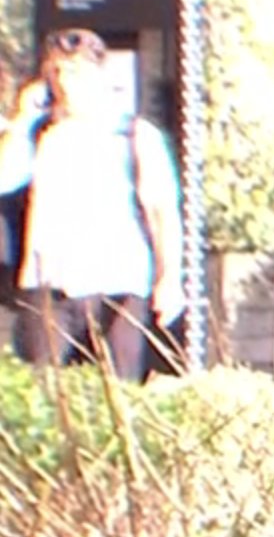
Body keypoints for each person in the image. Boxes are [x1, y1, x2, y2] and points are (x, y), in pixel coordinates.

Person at [0, 28, 184, 379]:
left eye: (77, 72)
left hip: (119, 282)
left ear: (99, 76)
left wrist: (169, 275)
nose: (66, 84)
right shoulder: (39, 134)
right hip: (51, 282)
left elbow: (162, 212)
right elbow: (4, 179)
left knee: (120, 389)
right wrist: (22, 119)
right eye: (57, 73)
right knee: (46, 390)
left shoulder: (133, 134)